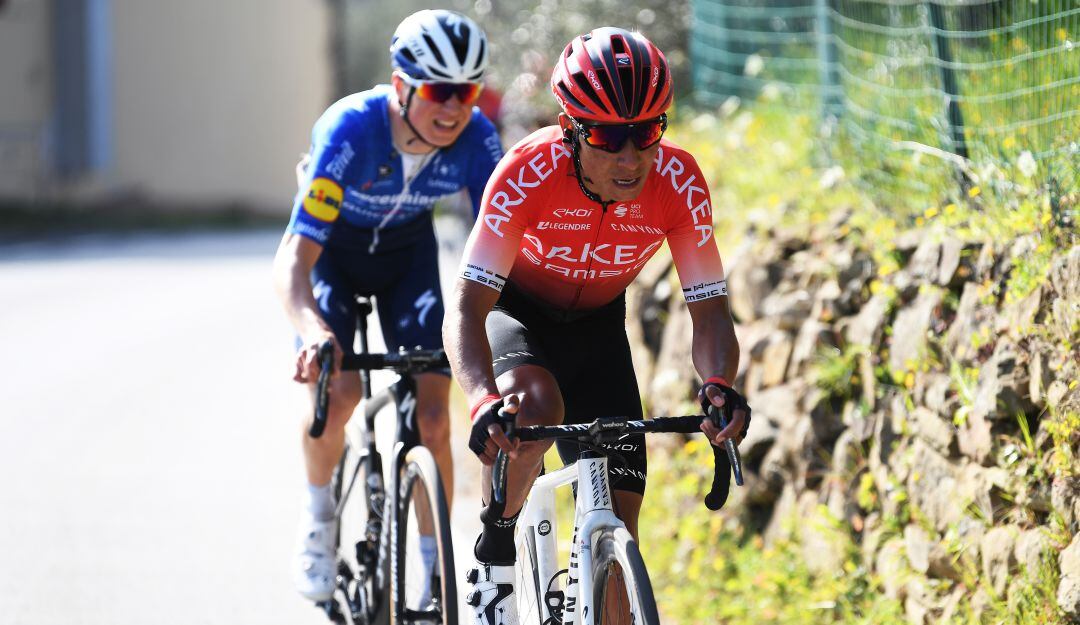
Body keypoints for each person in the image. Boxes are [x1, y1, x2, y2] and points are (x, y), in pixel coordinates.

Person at [442, 27, 751, 624]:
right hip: (517, 314)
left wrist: (718, 386)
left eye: (647, 131)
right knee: (532, 404)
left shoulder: (679, 182)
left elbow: (708, 308)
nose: (631, 156)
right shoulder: (526, 172)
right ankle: (495, 554)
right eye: (610, 135)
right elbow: (468, 308)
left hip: (600, 330)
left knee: (620, 533)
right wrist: (481, 400)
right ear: (570, 128)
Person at [273, 9, 503, 602]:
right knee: (340, 393)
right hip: (335, 257)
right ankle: (318, 520)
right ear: (402, 85)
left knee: (433, 415)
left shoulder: (477, 139)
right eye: (439, 91)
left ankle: (435, 566)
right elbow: (294, 262)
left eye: (468, 91)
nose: (454, 107)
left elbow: (501, 244)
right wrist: (311, 329)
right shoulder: (350, 131)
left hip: (407, 257)